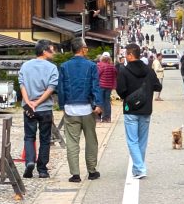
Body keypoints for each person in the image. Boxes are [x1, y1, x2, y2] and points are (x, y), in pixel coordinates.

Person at [57, 38, 104, 183]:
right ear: (82, 49)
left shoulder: (64, 66)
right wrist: (99, 104)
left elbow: (61, 88)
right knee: (91, 140)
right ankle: (91, 171)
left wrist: (62, 105)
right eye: (86, 48)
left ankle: (75, 174)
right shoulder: (91, 66)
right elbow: (96, 86)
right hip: (87, 108)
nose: (87, 50)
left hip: (71, 108)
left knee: (72, 142)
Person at [117, 43, 162, 179]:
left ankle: (140, 168)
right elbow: (158, 87)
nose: (125, 56)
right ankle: (138, 168)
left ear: (130, 55)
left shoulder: (123, 71)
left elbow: (121, 91)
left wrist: (129, 96)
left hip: (130, 109)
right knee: (142, 140)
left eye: (126, 53)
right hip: (146, 109)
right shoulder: (148, 70)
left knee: (132, 140)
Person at [18, 39, 58, 179]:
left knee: (29, 136)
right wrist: (38, 102)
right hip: (45, 108)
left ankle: (29, 161)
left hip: (29, 108)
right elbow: (51, 88)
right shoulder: (52, 68)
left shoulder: (25, 66)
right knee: (45, 138)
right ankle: (42, 169)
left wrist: (29, 102)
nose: (53, 53)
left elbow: (22, 84)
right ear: (44, 51)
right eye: (51, 50)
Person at [96, 52, 117, 123]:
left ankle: (98, 118)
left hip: (100, 86)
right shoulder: (112, 66)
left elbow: (97, 75)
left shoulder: (99, 65)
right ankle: (107, 118)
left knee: (99, 101)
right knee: (107, 102)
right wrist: (114, 85)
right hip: (109, 87)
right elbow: (115, 76)